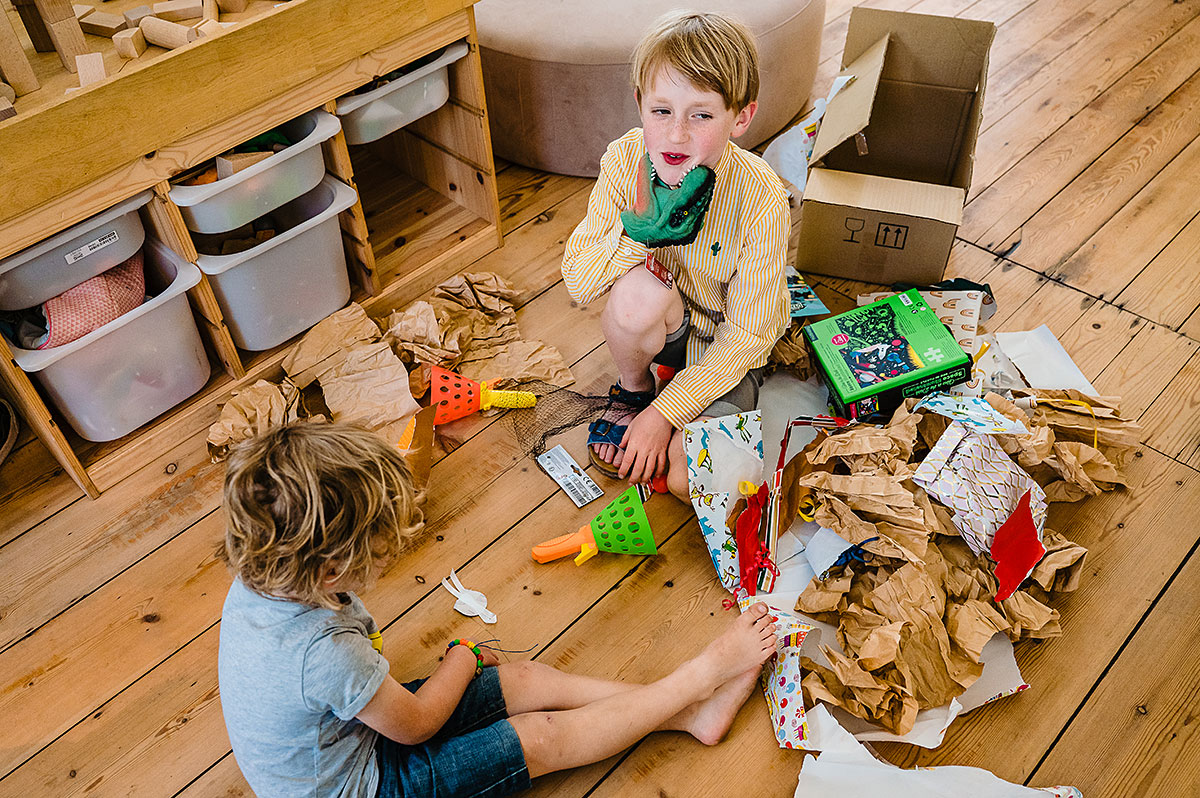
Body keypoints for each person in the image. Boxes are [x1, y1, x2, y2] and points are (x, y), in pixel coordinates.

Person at [217, 422, 777, 798]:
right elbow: (415, 727)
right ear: (333, 566)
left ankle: (690, 716)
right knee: (540, 739)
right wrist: (459, 658)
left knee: (527, 679)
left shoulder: (267, 577)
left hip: (347, 734)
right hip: (366, 785)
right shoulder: (325, 655)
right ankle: (695, 680)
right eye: (379, 548)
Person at [562, 10, 790, 498]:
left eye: (702, 114)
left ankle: (667, 401)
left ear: (741, 117)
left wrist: (670, 414)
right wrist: (645, 232)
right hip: (665, 320)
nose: (676, 134)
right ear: (641, 104)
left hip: (721, 346)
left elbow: (751, 335)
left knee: (690, 483)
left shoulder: (762, 196)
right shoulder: (625, 160)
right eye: (661, 111)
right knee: (633, 300)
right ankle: (635, 387)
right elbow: (580, 281)